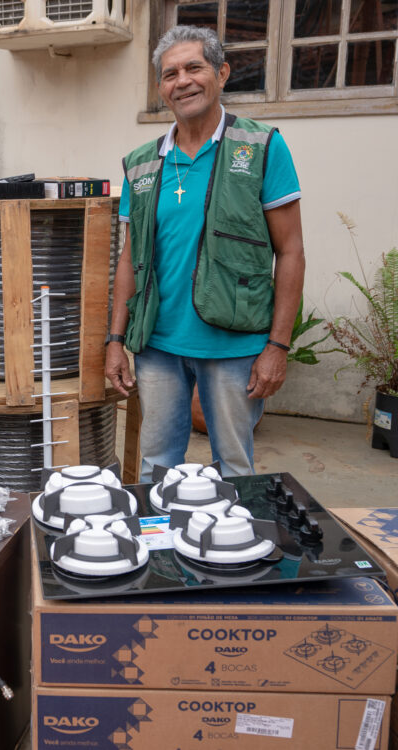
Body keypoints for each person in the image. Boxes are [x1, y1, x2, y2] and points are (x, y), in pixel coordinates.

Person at [105, 25, 304, 481]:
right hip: (158, 345)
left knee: (234, 468)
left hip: (234, 346)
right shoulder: (142, 163)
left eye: (194, 67)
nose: (183, 81)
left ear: (221, 73)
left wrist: (277, 346)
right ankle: (162, 550)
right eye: (170, 73)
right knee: (157, 466)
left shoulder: (260, 147)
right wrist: (115, 341)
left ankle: (233, 551)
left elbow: (291, 251)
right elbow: (129, 259)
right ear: (161, 88)